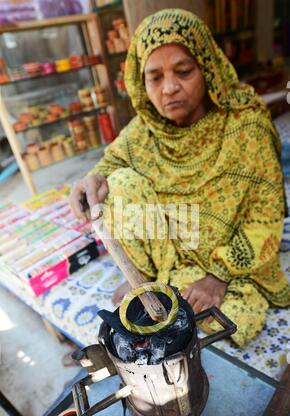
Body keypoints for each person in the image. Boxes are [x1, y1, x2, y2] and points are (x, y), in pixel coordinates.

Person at [70, 8, 290, 347]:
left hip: (225, 260)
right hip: (170, 253)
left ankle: (203, 283)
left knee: (225, 327)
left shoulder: (246, 127)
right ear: (141, 83)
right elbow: (110, 167)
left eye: (184, 72)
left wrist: (218, 276)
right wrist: (91, 181)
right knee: (119, 184)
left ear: (207, 69)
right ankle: (147, 279)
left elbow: (266, 216)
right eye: (155, 78)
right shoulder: (143, 131)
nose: (169, 88)